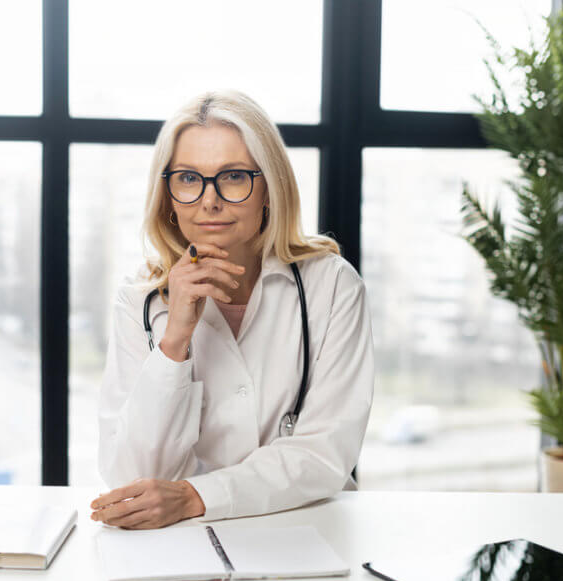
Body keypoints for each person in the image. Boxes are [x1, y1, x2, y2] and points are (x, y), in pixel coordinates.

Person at [90, 90, 374, 529]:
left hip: (306, 530)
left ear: (269, 188)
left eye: (234, 176)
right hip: (177, 542)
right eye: (188, 178)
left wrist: (192, 496)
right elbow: (132, 478)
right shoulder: (140, 301)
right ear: (167, 195)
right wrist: (176, 338)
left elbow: (325, 454)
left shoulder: (332, 285)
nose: (209, 200)